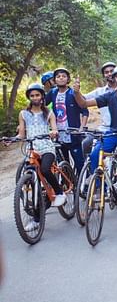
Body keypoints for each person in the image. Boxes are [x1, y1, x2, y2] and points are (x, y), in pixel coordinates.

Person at [72, 65, 117, 224]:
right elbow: (84, 104)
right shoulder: (109, 96)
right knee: (94, 155)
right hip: (113, 134)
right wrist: (77, 92)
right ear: (113, 78)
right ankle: (100, 188)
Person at [17, 83, 66, 231]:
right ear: (29, 98)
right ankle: (36, 220)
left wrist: (53, 132)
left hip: (46, 147)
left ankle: (59, 192)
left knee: (45, 169)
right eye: (32, 96)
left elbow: (54, 128)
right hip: (32, 149)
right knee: (32, 182)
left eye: (37, 95)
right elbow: (22, 134)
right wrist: (14, 138)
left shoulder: (49, 113)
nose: (35, 98)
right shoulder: (23, 114)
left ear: (42, 96)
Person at [45, 67, 88, 175]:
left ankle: (84, 186)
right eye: (58, 76)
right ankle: (68, 184)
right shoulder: (53, 93)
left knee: (79, 163)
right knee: (63, 164)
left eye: (63, 76)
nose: (61, 78)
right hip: (58, 134)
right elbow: (41, 105)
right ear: (54, 80)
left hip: (73, 133)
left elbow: (85, 111)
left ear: (68, 79)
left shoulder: (74, 93)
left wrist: (81, 128)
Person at [81, 62, 116, 156]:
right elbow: (83, 99)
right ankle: (89, 170)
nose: (109, 74)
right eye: (106, 72)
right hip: (104, 129)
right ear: (104, 75)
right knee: (86, 143)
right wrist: (75, 91)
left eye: (111, 71)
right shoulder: (100, 92)